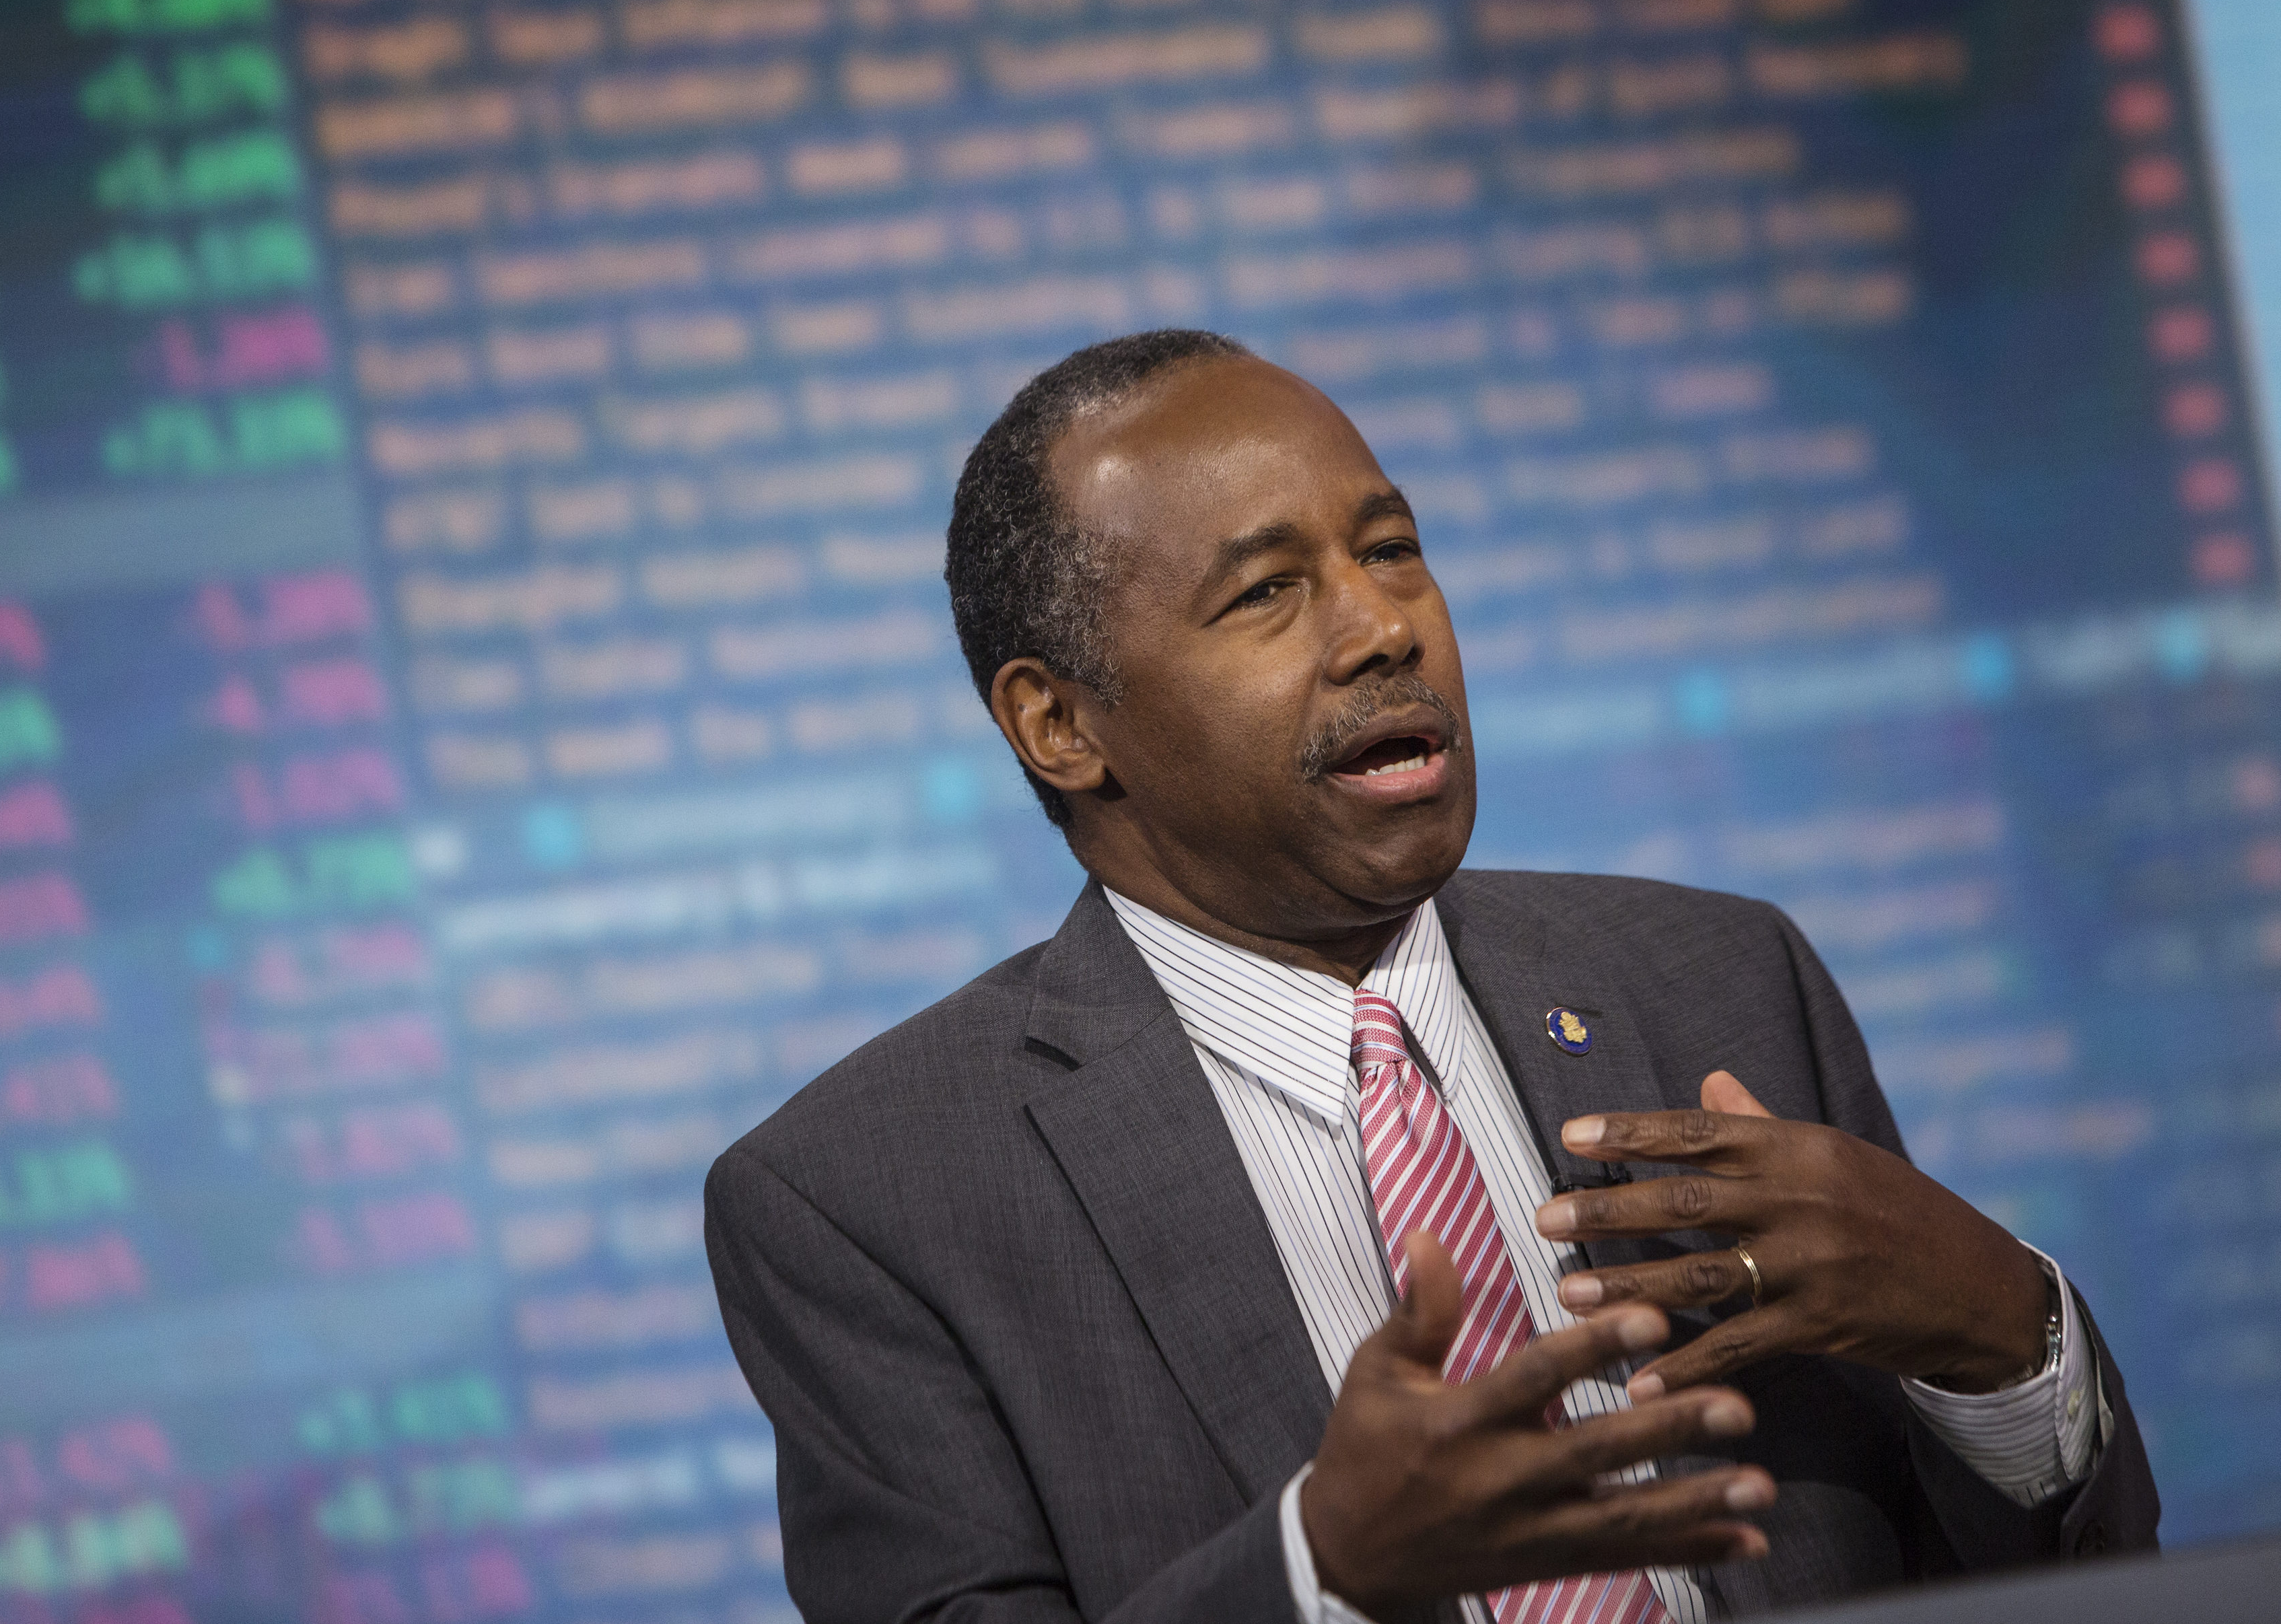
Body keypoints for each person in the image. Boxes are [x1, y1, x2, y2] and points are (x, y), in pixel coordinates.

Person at [703, 330, 2157, 1623]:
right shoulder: (864, 1199)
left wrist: (2000, 1336)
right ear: (1060, 725)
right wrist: (1320, 1570)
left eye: (1391, 549)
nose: (1384, 626)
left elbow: (2020, 1581)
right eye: (1267, 590)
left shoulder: (1722, 978)